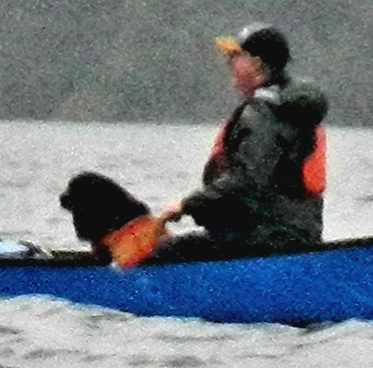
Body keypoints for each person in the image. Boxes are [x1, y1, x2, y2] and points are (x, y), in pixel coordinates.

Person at [60, 24, 329, 259]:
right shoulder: (290, 109)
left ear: (257, 64)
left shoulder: (262, 113)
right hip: (289, 238)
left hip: (257, 241)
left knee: (158, 255)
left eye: (235, 57)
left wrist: (186, 205)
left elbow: (247, 182)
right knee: (179, 245)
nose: (229, 64)